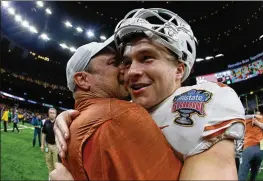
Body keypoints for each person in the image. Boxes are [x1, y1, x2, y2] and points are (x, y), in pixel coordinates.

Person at [52, 8, 245, 180]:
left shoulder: (206, 101)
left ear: (179, 70)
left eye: (147, 58)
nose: (131, 71)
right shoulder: (120, 113)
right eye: (126, 62)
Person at [52, 37, 182, 180]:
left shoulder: (72, 126)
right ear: (83, 80)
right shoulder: (122, 115)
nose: (126, 69)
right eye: (114, 63)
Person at [238, 110, 263, 181]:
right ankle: (259, 165)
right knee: (254, 174)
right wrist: (257, 121)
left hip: (248, 147)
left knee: (242, 174)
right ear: (254, 112)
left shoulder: (244, 120)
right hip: (260, 148)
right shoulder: (260, 118)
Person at [41, 108, 58, 174]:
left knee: (56, 163)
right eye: (50, 113)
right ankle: (51, 175)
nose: (52, 114)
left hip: (56, 146)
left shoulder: (58, 123)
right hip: (47, 145)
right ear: (48, 114)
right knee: (48, 161)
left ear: (56, 114)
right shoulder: (46, 122)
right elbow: (43, 133)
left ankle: (56, 176)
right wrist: (42, 145)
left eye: (53, 113)